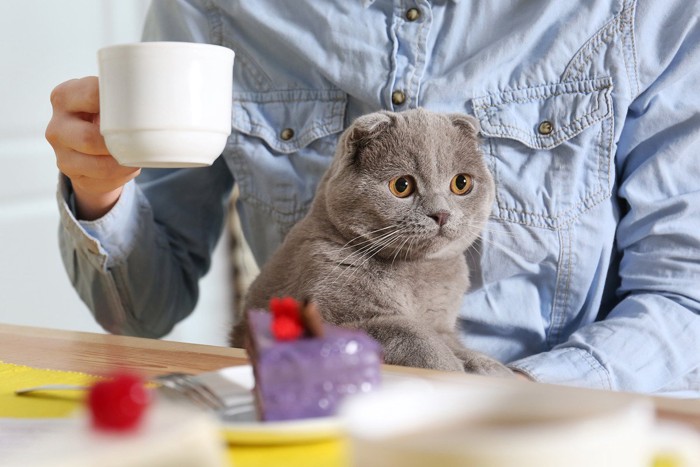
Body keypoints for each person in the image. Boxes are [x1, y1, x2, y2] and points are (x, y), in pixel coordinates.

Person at [46, 0, 700, 396]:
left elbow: (684, 299)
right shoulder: (220, 11)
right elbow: (141, 312)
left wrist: (515, 393)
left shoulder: (646, 14)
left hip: (548, 425)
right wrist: (101, 188)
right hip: (306, 416)